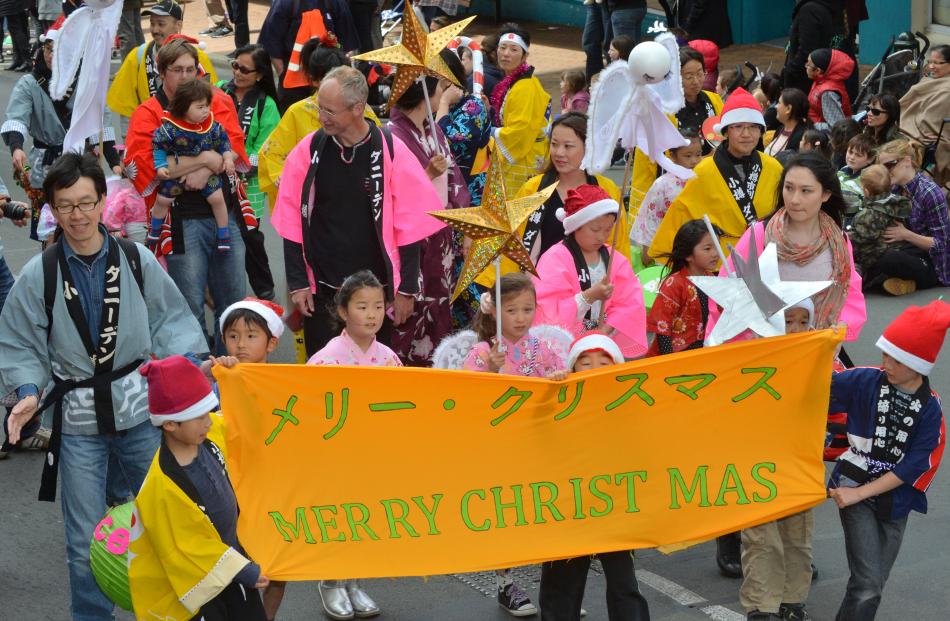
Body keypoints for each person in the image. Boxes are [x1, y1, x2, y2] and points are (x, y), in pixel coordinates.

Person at [0, 152, 208, 621]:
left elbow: (173, 322)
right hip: (77, 422)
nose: (79, 215)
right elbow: (16, 344)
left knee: (164, 522)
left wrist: (200, 371)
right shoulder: (41, 273)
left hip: (137, 410)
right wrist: (25, 395)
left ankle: (175, 612)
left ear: (102, 201)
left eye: (87, 202)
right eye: (66, 205)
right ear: (52, 208)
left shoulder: (134, 259)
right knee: (83, 540)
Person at [271, 66, 446, 357]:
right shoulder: (309, 149)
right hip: (324, 290)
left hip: (374, 295)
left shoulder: (390, 149)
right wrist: (299, 283)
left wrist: (405, 291)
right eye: (320, 108)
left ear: (357, 108)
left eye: (330, 111)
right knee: (324, 371)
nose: (320, 117)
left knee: (374, 373)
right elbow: (291, 222)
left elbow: (411, 227)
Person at [124, 38, 251, 350]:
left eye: (190, 69)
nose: (184, 76)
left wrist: (207, 169)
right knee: (189, 307)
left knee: (233, 305)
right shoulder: (148, 112)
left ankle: (233, 381)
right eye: (176, 70)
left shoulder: (217, 101)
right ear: (161, 72)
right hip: (180, 223)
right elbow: (147, 166)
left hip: (226, 214)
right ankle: (199, 388)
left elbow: (235, 148)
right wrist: (206, 159)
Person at [827, 301, 949, 621]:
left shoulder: (930, 409)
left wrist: (861, 493)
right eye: (885, 354)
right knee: (868, 584)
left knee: (874, 582)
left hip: (895, 497)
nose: (886, 364)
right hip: (854, 483)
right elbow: (819, 388)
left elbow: (912, 467)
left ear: (919, 365)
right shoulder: (866, 380)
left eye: (896, 359)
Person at [131, 355, 268, 621]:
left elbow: (241, 421)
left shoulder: (207, 434)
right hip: (203, 583)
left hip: (232, 563)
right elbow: (186, 547)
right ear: (170, 424)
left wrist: (234, 379)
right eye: (199, 416)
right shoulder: (162, 487)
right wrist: (244, 571)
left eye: (208, 412)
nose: (208, 421)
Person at [462, 271, 564, 617]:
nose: (520, 318)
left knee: (545, 515)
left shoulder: (541, 347)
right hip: (501, 448)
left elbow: (559, 382)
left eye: (527, 309)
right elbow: (464, 399)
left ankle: (557, 593)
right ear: (495, 312)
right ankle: (505, 584)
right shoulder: (482, 352)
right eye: (512, 310)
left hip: (538, 443)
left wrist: (556, 379)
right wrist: (490, 371)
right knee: (509, 516)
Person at [301, 270, 394, 618]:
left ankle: (354, 580)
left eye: (378, 306)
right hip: (337, 452)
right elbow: (312, 407)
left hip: (372, 451)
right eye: (362, 306)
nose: (372, 314)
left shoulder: (387, 355)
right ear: (342, 311)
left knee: (363, 517)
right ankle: (331, 581)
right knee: (338, 516)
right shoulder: (328, 358)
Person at [538, 334, 651, 621]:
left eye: (604, 361)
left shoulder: (629, 404)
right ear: (572, 368)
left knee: (624, 584)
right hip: (566, 509)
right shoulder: (560, 402)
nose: (594, 368)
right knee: (561, 585)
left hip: (613, 508)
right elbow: (535, 429)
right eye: (584, 363)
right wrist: (550, 392)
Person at [481, 112, 631, 291]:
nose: (559, 153)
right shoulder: (533, 189)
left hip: (592, 290)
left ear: (588, 148)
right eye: (554, 144)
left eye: (568, 146)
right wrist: (501, 290)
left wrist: (620, 288)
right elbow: (512, 244)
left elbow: (618, 246)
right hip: (541, 291)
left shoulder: (608, 191)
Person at [3, 27, 122, 241]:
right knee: (50, 232)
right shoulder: (29, 84)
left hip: (82, 163)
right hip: (44, 166)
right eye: (49, 50)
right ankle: (52, 267)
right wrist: (17, 148)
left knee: (84, 222)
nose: (52, 56)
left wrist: (114, 161)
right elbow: (16, 117)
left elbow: (101, 126)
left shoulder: (88, 83)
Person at [739, 303, 818, 621]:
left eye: (803, 321)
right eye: (788, 320)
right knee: (761, 535)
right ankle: (762, 604)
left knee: (798, 534)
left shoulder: (817, 355)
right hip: (757, 460)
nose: (796, 327)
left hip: (798, 458)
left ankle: (792, 599)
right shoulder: (752, 357)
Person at [387, 71, 470, 365]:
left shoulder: (433, 131)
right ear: (426, 94)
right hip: (412, 240)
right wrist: (428, 175)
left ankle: (436, 370)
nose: (441, 96)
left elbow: (456, 182)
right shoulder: (393, 136)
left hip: (441, 239)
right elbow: (390, 196)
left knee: (438, 309)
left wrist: (467, 226)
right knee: (411, 311)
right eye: (440, 90)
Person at [649, 87, 782, 262]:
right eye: (738, 127)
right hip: (718, 260)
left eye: (753, 127)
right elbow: (683, 213)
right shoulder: (704, 170)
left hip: (764, 257)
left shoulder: (774, 168)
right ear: (726, 131)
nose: (746, 134)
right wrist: (664, 254)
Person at [258, 43, 380, 209]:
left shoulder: (361, 110)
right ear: (315, 80)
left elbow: (379, 150)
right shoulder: (297, 112)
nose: (324, 118)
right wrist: (283, 177)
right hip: (311, 201)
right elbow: (270, 154)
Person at [534, 184, 648, 358]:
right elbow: (547, 310)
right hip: (566, 343)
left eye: (608, 230)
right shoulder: (555, 258)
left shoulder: (614, 259)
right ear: (576, 225)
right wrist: (589, 296)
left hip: (605, 338)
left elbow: (630, 301)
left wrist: (605, 329)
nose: (601, 236)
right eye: (595, 229)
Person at [217, 44, 281, 300]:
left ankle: (264, 288)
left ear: (260, 75)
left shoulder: (267, 105)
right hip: (215, 172)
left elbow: (265, 146)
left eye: (245, 69)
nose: (237, 72)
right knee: (218, 231)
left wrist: (241, 166)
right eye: (235, 65)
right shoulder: (220, 90)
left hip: (248, 179)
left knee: (249, 234)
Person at [151, 79, 240, 254]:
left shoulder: (213, 127)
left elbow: (224, 144)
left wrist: (228, 159)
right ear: (184, 107)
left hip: (207, 174)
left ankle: (223, 233)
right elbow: (158, 147)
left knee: (217, 198)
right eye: (200, 107)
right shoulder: (170, 129)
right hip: (178, 174)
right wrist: (160, 166)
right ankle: (154, 229)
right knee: (163, 200)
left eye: (207, 106)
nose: (206, 111)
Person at [630, 46, 723, 200]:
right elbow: (646, 160)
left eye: (700, 73)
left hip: (710, 181)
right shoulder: (660, 108)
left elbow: (723, 139)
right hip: (673, 188)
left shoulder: (714, 100)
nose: (696, 81)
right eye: (689, 76)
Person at [862, 138, 950, 295]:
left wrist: (905, 235)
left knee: (887, 259)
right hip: (903, 249)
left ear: (907, 161)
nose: (886, 171)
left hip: (931, 263)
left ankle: (879, 280)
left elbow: (940, 244)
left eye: (890, 165)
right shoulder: (893, 188)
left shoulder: (930, 193)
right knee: (866, 248)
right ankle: (894, 281)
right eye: (882, 167)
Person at [106, 1, 219, 123]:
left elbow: (214, 103)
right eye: (152, 24)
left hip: (191, 134)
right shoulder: (137, 56)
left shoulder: (197, 58)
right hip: (150, 132)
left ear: (178, 25)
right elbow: (126, 109)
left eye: (161, 24)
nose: (155, 30)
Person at [257, 0, 359, 111]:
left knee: (329, 120)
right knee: (293, 120)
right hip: (293, 85)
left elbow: (347, 45)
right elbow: (272, 43)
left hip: (328, 81)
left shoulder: (336, 3)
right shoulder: (285, 3)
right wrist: (282, 73)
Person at [491, 23, 552, 193]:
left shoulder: (524, 86)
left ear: (525, 56)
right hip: (529, 154)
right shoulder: (518, 82)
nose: (506, 54)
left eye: (513, 50)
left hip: (525, 159)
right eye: (502, 48)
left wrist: (492, 132)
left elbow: (520, 129)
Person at [646, 219, 720, 355]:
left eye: (717, 246)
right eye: (708, 248)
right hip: (674, 354)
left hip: (702, 350)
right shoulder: (674, 283)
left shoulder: (712, 279)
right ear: (688, 255)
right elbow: (662, 325)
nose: (715, 253)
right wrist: (669, 360)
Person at [630, 128, 703, 255]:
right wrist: (649, 249)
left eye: (698, 154)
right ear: (672, 156)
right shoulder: (663, 184)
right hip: (668, 246)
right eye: (688, 156)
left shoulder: (703, 179)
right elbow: (652, 218)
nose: (694, 161)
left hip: (700, 244)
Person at [899, 45, 950, 189]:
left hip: (921, 133)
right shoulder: (932, 79)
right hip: (906, 120)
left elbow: (929, 121)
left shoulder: (947, 89)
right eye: (930, 61)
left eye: (938, 63)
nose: (932, 66)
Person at [850, 164, 913, 274]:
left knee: (852, 252)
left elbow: (862, 239)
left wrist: (846, 236)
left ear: (866, 192)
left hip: (876, 255)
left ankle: (862, 274)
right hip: (897, 250)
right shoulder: (900, 202)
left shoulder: (867, 215)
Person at [783, 0, 848, 94]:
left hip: (802, 84)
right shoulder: (827, 6)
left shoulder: (810, 11)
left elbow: (806, 51)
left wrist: (790, 72)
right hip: (817, 80)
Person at [805, 48, 854, 130]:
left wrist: (812, 125)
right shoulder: (821, 80)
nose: (806, 66)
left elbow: (837, 126)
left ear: (818, 71)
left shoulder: (827, 93)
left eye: (808, 65)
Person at [837, 132, 877, 221]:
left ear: (870, 159)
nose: (851, 157)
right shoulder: (844, 169)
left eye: (858, 155)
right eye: (850, 152)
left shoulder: (868, 179)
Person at [764, 88, 809, 159]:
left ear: (788, 109)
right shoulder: (779, 129)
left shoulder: (803, 136)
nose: (776, 107)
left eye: (779, 103)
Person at [0, 0, 30, 71]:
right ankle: (19, 59)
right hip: (14, 4)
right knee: (14, 28)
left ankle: (26, 60)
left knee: (15, 29)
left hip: (10, 3)